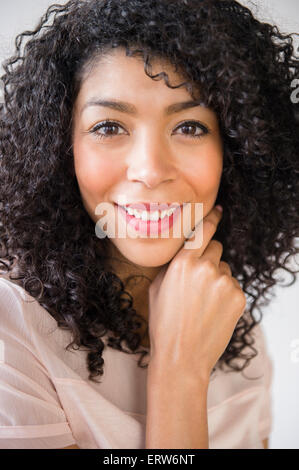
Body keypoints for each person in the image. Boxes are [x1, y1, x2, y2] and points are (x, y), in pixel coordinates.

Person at [0, 0, 298, 449]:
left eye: (191, 127)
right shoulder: (12, 329)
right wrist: (179, 374)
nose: (151, 169)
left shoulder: (234, 330)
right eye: (108, 126)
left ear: (236, 152)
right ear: (61, 148)